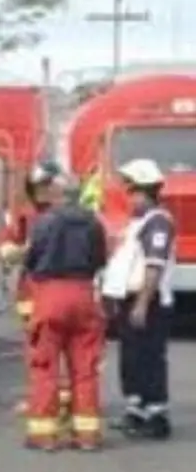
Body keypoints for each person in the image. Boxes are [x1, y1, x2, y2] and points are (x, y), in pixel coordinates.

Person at [22, 177, 108, 451]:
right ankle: (87, 436)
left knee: (44, 366)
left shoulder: (45, 222)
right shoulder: (94, 223)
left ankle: (44, 435)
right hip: (83, 292)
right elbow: (100, 260)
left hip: (50, 293)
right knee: (85, 368)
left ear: (57, 194)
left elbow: (31, 259)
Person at [102, 158, 175, 440]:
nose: (129, 195)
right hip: (131, 300)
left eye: (132, 190)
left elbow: (153, 265)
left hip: (149, 301)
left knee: (148, 359)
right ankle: (137, 410)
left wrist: (143, 302)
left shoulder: (158, 223)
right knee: (132, 359)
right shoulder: (140, 223)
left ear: (145, 190)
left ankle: (156, 415)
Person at [0, 161, 73, 416]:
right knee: (38, 350)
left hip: (61, 289)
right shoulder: (25, 215)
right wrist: (16, 251)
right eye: (37, 186)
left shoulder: (70, 216)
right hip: (32, 291)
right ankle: (44, 396)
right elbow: (7, 245)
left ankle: (61, 397)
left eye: (46, 186)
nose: (42, 192)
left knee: (66, 348)